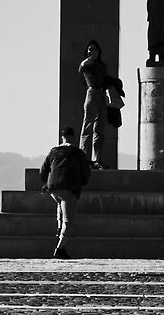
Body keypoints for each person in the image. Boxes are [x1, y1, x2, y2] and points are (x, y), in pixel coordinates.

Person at [41, 126, 91, 257]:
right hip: (69, 188)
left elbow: (43, 171)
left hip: (53, 188)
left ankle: (58, 226)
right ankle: (60, 248)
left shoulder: (53, 151)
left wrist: (46, 183)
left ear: (62, 137)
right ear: (73, 137)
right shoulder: (78, 153)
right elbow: (86, 171)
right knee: (68, 221)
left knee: (59, 202)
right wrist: (83, 182)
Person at [77, 39, 116, 169]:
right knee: (87, 126)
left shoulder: (101, 65)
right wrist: (84, 63)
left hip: (102, 94)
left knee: (99, 129)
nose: (92, 51)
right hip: (92, 92)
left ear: (99, 52)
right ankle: (84, 157)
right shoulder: (86, 64)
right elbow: (81, 71)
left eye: (94, 49)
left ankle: (97, 159)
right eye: (90, 49)